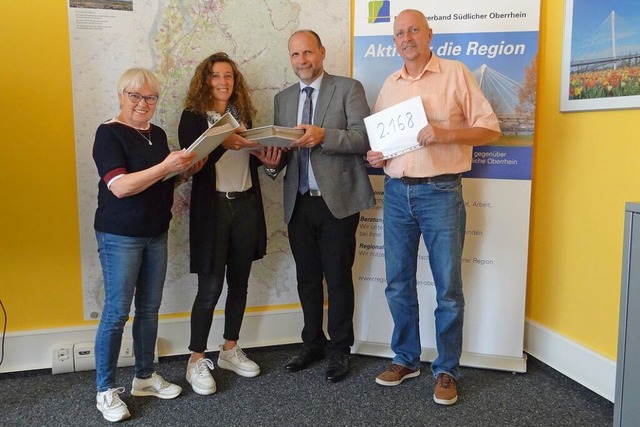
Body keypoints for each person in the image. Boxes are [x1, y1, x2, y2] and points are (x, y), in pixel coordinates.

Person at [366, 10, 501, 405]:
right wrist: (377, 156)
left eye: (413, 30)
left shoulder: (456, 73)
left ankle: (445, 369)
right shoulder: (389, 85)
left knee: (447, 289)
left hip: (441, 192)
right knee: (397, 284)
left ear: (429, 35)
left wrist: (445, 134)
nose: (406, 37)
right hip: (395, 194)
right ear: (394, 42)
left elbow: (490, 128)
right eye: (399, 33)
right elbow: (383, 142)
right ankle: (406, 358)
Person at [258, 30, 374, 383]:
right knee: (307, 279)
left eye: (308, 52)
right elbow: (280, 158)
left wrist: (324, 135)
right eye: (295, 55)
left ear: (322, 52)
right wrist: (271, 163)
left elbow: (364, 138)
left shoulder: (348, 88)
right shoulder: (283, 98)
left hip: (337, 202)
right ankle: (312, 343)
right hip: (299, 203)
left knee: (337, 278)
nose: (302, 61)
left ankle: (340, 349)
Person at [93, 67, 204, 422]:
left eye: (150, 97)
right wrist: (165, 166)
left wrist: (185, 169)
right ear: (121, 95)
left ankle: (143, 377)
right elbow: (121, 187)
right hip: (120, 236)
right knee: (116, 314)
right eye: (134, 95)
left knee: (149, 309)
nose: (142, 103)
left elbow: (160, 181)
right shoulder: (108, 133)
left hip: (157, 231)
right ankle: (105, 390)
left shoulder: (156, 134)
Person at [178, 52, 267, 396]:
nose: (223, 82)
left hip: (245, 205)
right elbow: (193, 159)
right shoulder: (193, 117)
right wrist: (223, 142)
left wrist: (269, 158)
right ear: (205, 80)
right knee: (210, 288)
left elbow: (252, 161)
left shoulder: (242, 116)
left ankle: (230, 348)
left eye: (228, 75)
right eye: (215, 76)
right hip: (212, 210)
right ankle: (195, 359)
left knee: (240, 283)